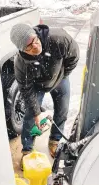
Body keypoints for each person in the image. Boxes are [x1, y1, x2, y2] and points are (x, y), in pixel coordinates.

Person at [10, 23, 79, 166]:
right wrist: (36, 113)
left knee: (62, 110)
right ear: (22, 50)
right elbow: (26, 90)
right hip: (36, 85)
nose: (35, 46)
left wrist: (63, 75)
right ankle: (27, 150)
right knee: (30, 116)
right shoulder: (21, 64)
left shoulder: (59, 39)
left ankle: (55, 140)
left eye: (35, 40)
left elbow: (74, 56)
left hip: (59, 78)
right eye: (29, 46)